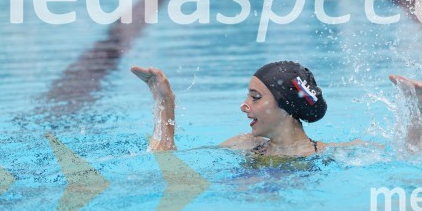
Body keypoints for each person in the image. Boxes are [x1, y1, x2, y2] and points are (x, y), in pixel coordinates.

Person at [133, 61, 336, 156]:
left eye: (255, 97)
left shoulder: (325, 154)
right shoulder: (245, 144)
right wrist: (165, 102)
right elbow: (168, 160)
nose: (243, 105)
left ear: (286, 105)